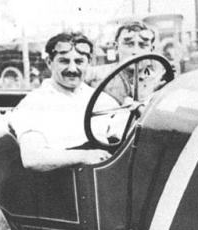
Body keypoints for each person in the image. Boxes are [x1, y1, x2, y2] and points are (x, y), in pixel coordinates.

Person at [9, 32, 118, 172]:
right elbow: (33, 158)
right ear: (49, 63)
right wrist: (84, 156)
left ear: (88, 63)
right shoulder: (33, 103)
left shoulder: (103, 100)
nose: (72, 69)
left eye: (79, 61)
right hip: (57, 187)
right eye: (64, 61)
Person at [86, 21, 162, 104]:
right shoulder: (95, 75)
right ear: (116, 48)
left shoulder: (158, 81)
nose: (135, 52)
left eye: (143, 45)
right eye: (129, 44)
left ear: (151, 50)